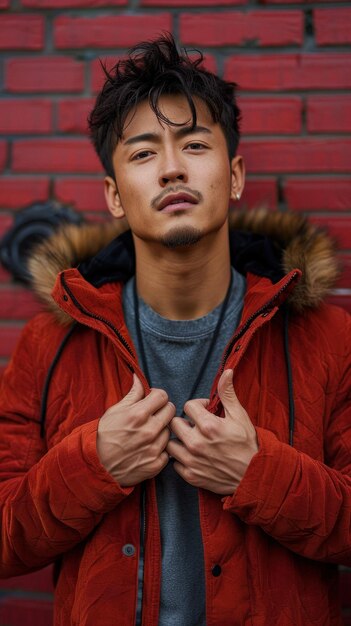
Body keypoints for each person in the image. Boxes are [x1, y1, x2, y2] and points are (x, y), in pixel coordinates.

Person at [0, 34, 350, 626]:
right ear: (114, 196)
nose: (170, 168)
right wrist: (91, 466)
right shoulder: (49, 343)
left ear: (234, 176)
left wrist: (260, 473)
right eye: (141, 154)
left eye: (193, 144)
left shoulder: (328, 338)